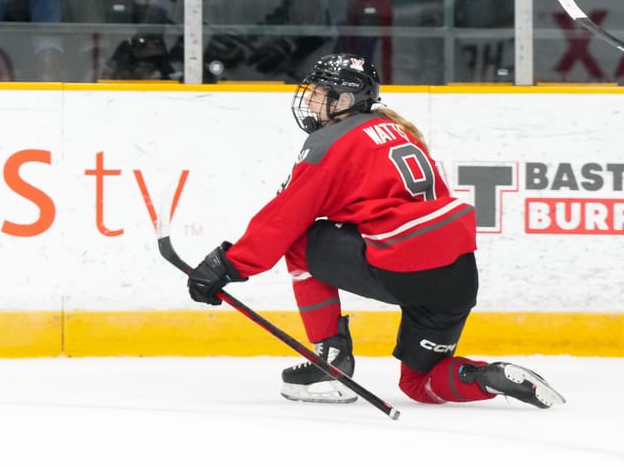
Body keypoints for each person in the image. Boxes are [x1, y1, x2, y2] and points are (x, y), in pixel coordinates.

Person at [185, 53, 566, 409]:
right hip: (459, 274)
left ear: (345, 100)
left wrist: (228, 265)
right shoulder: (399, 131)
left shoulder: (329, 144)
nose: (311, 100)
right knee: (419, 384)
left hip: (401, 264)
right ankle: (486, 377)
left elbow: (285, 219)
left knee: (300, 241)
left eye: (320, 93)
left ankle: (331, 362)